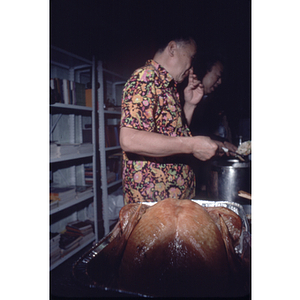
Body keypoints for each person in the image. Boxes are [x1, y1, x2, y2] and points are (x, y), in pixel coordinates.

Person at [119, 36, 226, 204]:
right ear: (172, 48)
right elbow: (129, 139)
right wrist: (191, 145)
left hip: (172, 200)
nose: (191, 66)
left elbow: (172, 136)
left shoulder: (167, 86)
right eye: (191, 57)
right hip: (155, 203)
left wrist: (189, 105)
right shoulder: (146, 77)